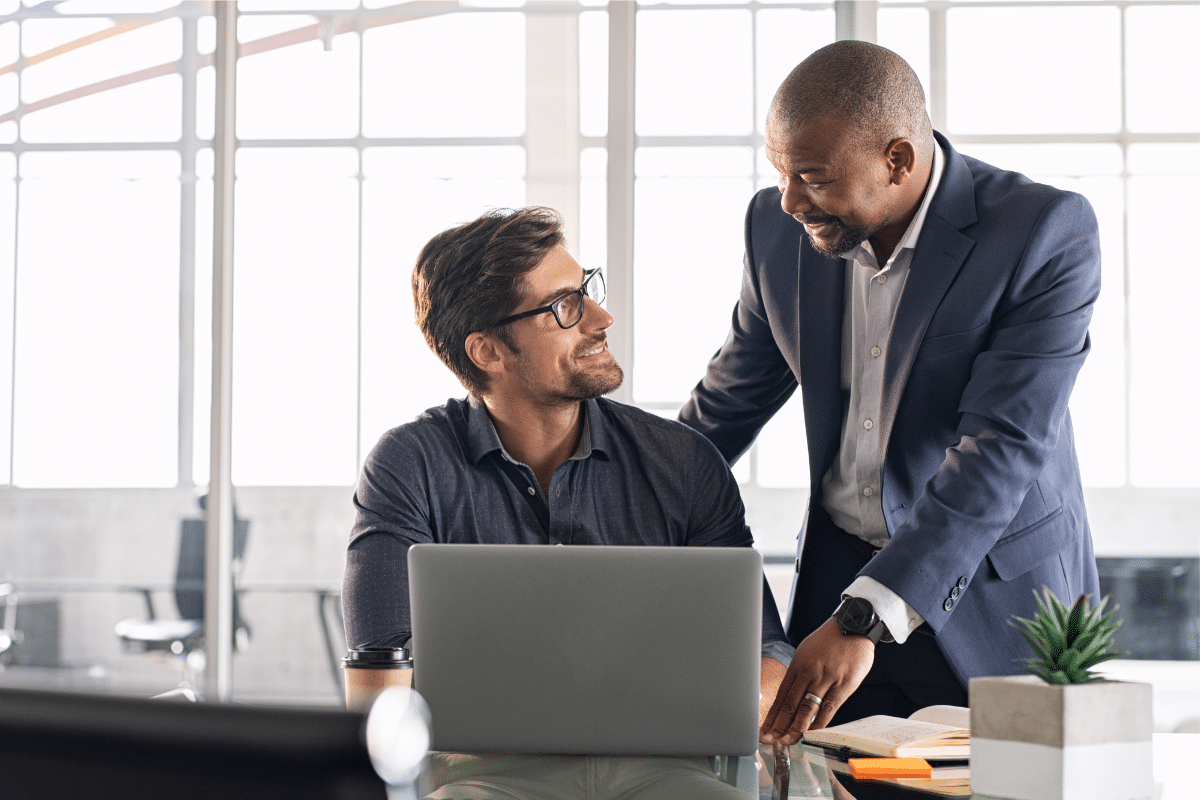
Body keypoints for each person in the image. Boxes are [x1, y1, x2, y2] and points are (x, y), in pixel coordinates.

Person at [678, 41, 1102, 745]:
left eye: (811, 178)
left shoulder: (1041, 232)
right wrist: (607, 486)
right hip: (833, 585)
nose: (788, 201)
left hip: (995, 596)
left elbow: (1002, 446)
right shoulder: (775, 230)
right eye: (781, 173)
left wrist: (866, 617)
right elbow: (725, 405)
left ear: (897, 160)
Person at [343, 206, 793, 798]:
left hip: (670, 774)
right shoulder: (410, 465)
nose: (602, 317)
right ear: (488, 352)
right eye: (565, 307)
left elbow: (766, 650)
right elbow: (379, 678)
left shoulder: (684, 462)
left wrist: (748, 701)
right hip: (481, 777)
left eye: (588, 290)